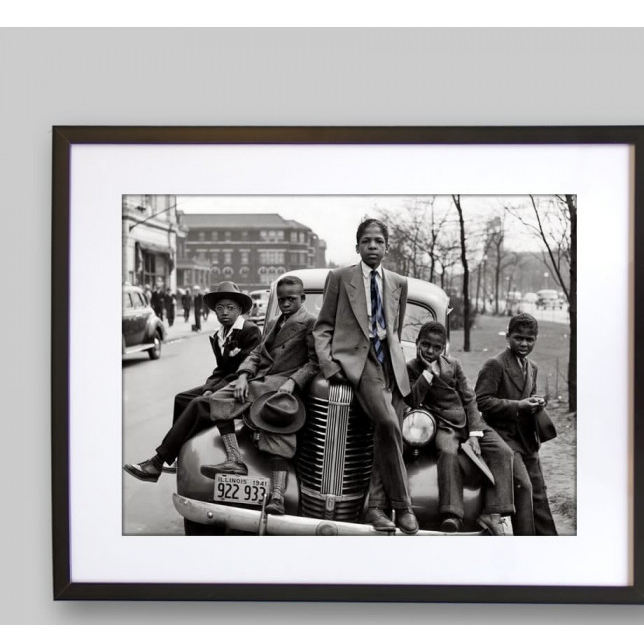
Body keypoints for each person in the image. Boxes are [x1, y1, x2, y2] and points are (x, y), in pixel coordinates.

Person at [124, 277, 318, 519]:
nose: (286, 303)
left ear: (302, 298)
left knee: (276, 432)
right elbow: (257, 354)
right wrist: (244, 375)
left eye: (291, 299)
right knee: (212, 400)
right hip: (258, 381)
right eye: (281, 300)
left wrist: (292, 382)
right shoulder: (274, 322)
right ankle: (231, 459)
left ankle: (159, 461)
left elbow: (314, 362)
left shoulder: (309, 322)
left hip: (280, 386)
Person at [313, 218, 418, 535]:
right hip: (360, 361)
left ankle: (375, 508)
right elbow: (323, 327)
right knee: (388, 424)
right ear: (357, 246)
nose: (372, 246)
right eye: (366, 241)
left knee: (385, 434)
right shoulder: (340, 277)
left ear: (387, 246)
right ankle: (403, 506)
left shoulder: (398, 282)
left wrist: (395, 362)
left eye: (378, 241)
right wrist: (330, 366)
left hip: (392, 367)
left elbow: (395, 330)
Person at [406, 321, 515, 535]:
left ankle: (493, 512)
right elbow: (412, 400)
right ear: (417, 343)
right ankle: (451, 514)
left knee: (504, 452)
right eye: (425, 345)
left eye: (436, 347)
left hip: (468, 422)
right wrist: (427, 373)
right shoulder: (411, 368)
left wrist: (474, 433)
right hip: (443, 424)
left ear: (443, 348)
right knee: (447, 453)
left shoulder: (454, 364)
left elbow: (469, 399)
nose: (430, 351)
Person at [475, 313, 559, 536]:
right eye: (518, 338)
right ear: (508, 337)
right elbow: (481, 401)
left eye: (529, 339)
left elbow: (527, 396)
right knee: (524, 487)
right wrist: (518, 405)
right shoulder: (495, 364)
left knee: (539, 491)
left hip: (525, 438)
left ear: (536, 339)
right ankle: (525, 541)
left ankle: (549, 541)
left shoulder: (532, 367)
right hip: (502, 437)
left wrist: (536, 402)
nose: (524, 344)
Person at [170, 281, 261, 424]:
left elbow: (248, 368)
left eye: (230, 308)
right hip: (223, 383)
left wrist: (213, 390)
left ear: (239, 310)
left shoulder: (249, 330)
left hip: (239, 386)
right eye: (220, 308)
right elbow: (220, 369)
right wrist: (208, 387)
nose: (224, 312)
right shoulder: (219, 335)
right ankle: (181, 437)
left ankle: (178, 438)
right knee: (181, 398)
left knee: (197, 403)